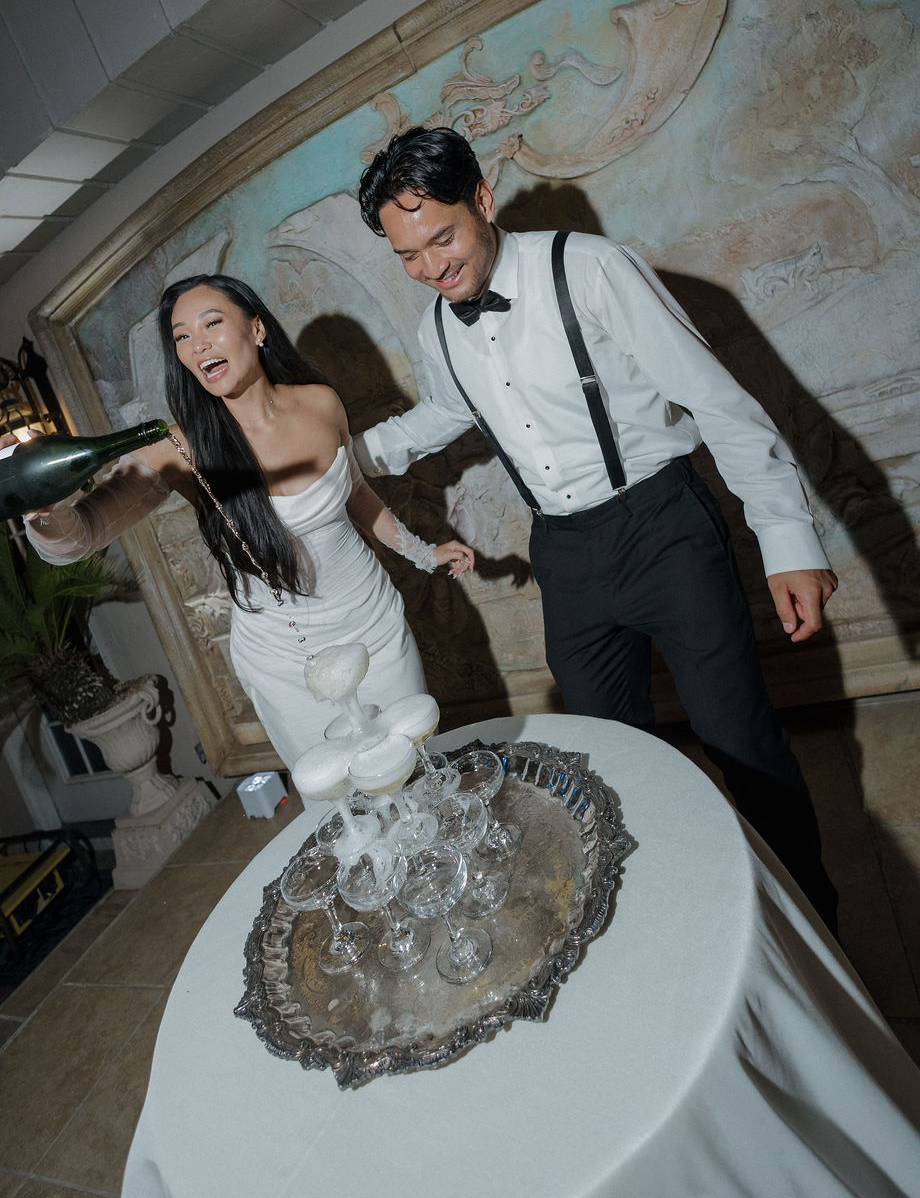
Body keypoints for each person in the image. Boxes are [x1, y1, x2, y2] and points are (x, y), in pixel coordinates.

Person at [354, 125, 839, 932]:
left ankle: (814, 924)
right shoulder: (439, 326)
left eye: (441, 239)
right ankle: (660, 920)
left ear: (482, 199)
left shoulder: (590, 269)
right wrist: (345, 460)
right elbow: (444, 411)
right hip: (566, 554)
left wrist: (788, 537)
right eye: (408, 255)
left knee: (740, 740)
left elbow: (716, 399)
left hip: (662, 524)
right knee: (606, 760)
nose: (431, 268)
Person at [0, 275, 472, 768]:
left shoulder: (321, 402)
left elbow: (357, 494)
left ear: (256, 328)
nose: (197, 345)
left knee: (413, 762)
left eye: (210, 324)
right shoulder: (179, 449)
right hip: (285, 661)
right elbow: (78, 538)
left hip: (373, 624)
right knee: (346, 801)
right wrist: (38, 505)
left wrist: (423, 552)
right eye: (181, 337)